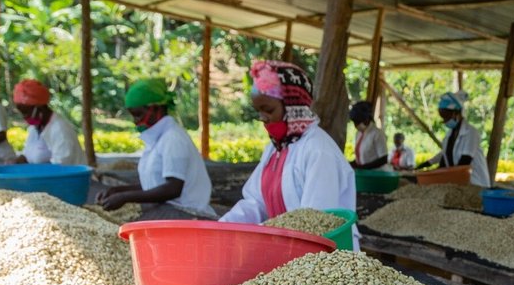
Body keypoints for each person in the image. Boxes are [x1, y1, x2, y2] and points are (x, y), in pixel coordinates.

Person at [220, 60, 357, 243]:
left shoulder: (318, 151)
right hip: (288, 253)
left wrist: (259, 235)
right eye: (258, 111)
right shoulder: (276, 148)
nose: (262, 118)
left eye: (268, 110)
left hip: (326, 257)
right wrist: (223, 227)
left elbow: (313, 223)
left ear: (293, 106)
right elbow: (256, 203)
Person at [96, 78, 214, 217]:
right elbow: (153, 186)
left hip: (187, 215)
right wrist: (117, 191)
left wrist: (126, 197)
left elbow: (172, 189)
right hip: (170, 211)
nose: (135, 121)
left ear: (156, 109)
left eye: (139, 114)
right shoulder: (159, 139)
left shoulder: (173, 139)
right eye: (133, 115)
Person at [416, 91, 489, 186]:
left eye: (446, 116)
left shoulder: (471, 133)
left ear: (457, 113)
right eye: (443, 117)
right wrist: (425, 166)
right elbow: (444, 156)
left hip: (475, 183)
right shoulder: (449, 135)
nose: (445, 120)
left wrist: (441, 174)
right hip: (458, 183)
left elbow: (465, 161)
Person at [11, 79, 86, 166]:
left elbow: (60, 167)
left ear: (40, 108)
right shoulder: (35, 128)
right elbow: (28, 156)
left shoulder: (60, 129)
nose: (24, 117)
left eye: (26, 112)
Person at [349, 100, 388, 170]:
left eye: (357, 122)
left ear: (366, 120)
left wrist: (365, 167)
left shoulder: (377, 134)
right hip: (363, 173)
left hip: (375, 174)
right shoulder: (358, 134)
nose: (355, 126)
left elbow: (383, 159)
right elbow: (361, 158)